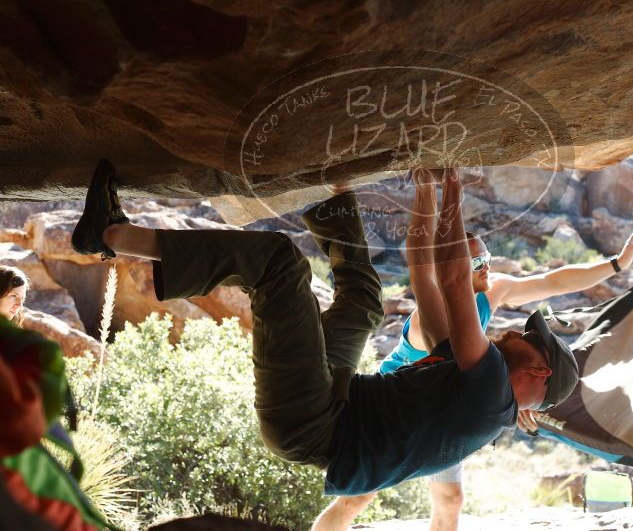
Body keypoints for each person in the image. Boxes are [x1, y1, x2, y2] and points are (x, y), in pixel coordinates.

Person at [72, 160, 577, 514]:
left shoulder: (490, 392)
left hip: (312, 421)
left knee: (278, 264)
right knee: (362, 301)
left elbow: (451, 278)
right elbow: (423, 267)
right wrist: (427, 185)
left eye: (529, 337)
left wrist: (453, 188)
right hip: (333, 394)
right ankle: (315, 189)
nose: (518, 327)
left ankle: (111, 235)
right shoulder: (476, 382)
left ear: (539, 370)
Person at [319, 169, 633, 531]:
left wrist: (617, 263)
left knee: (451, 499)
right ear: (458, 267)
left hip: (452, 409)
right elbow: (422, 266)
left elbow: (553, 282)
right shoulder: (434, 316)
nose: (488, 267)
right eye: (477, 263)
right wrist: (429, 189)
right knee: (358, 497)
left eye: (488, 257)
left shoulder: (494, 290)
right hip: (402, 411)